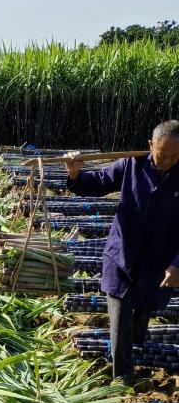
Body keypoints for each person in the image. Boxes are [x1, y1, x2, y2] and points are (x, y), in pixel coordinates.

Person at [64, 120, 179, 384]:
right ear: (151, 146)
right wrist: (75, 173)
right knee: (120, 316)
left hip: (157, 264)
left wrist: (177, 264)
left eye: (175, 156)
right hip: (121, 256)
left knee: (143, 313)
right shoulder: (131, 165)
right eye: (162, 155)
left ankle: (136, 345)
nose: (168, 161)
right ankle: (122, 377)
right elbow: (98, 182)